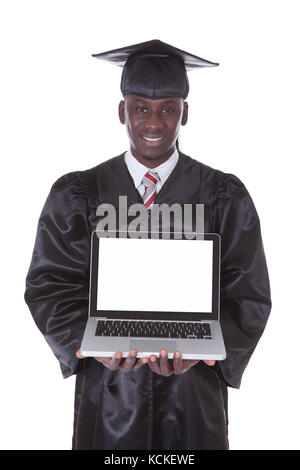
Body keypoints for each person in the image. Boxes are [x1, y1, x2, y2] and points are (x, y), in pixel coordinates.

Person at [24, 39, 271, 450]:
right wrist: (89, 345)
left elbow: (248, 293)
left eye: (168, 109)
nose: (153, 123)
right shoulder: (81, 193)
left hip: (193, 398)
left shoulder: (223, 194)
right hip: (109, 399)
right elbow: (50, 285)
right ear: (122, 111)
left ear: (185, 113)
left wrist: (205, 348)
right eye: (140, 108)